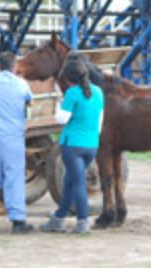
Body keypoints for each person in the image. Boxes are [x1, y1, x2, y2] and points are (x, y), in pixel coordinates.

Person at [40, 58, 104, 234]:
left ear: (68, 79)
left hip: (73, 145)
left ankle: (83, 222)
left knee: (77, 183)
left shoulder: (72, 93)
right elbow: (99, 121)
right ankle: (58, 218)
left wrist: (59, 105)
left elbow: (61, 119)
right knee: (69, 181)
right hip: (91, 144)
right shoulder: (98, 92)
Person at [0, 51, 34, 234]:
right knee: (14, 178)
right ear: (15, 66)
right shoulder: (22, 84)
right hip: (13, 138)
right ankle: (17, 221)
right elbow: (29, 101)